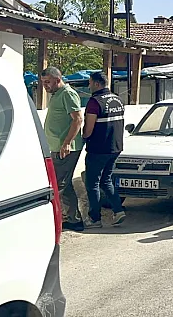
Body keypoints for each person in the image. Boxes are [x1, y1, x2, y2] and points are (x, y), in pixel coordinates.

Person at [41, 67, 86, 231]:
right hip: (56, 147)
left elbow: (77, 119)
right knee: (63, 185)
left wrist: (67, 143)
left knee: (59, 185)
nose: (45, 86)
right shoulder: (56, 94)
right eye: (43, 82)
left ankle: (63, 219)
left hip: (66, 148)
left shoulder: (68, 93)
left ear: (57, 79)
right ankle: (73, 219)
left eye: (47, 82)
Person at [81, 71, 126, 228]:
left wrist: (83, 137)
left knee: (92, 184)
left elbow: (89, 129)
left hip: (98, 148)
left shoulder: (95, 102)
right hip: (115, 148)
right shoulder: (118, 99)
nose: (89, 86)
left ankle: (95, 218)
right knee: (106, 180)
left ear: (97, 84)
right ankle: (118, 211)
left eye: (90, 82)